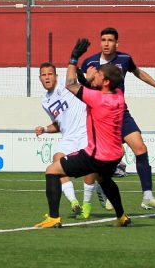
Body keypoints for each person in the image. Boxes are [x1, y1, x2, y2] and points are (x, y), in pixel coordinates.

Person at [35, 39, 130, 229]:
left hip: (96, 155)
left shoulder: (96, 99)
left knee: (52, 170)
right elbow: (88, 88)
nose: (95, 73)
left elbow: (71, 84)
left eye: (99, 74)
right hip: (114, 154)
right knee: (104, 178)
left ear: (105, 81)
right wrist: (87, 79)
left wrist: (74, 58)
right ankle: (121, 216)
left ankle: (54, 217)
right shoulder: (118, 95)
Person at [80, 27, 155, 211]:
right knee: (103, 159)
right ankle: (100, 187)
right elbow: (79, 86)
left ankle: (147, 196)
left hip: (121, 113)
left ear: (116, 43)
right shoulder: (89, 62)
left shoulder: (125, 59)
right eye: (103, 40)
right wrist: (87, 79)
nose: (106, 43)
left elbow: (139, 73)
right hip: (100, 117)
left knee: (140, 148)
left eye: (110, 40)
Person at [35, 62, 96, 219]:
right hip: (68, 136)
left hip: (84, 132)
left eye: (50, 74)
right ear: (40, 78)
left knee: (89, 167)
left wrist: (86, 75)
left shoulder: (65, 84)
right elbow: (58, 123)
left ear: (56, 76)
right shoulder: (45, 102)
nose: (47, 77)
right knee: (56, 161)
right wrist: (45, 129)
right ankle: (74, 202)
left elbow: (79, 82)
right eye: (44, 75)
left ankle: (87, 204)